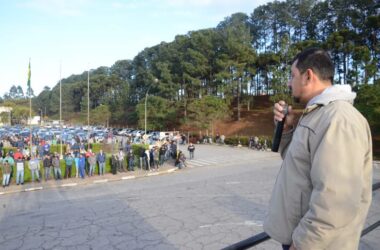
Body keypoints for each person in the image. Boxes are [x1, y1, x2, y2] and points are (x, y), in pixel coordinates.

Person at [263, 48, 373, 250]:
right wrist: (287, 128)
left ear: (308, 76)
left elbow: (336, 199)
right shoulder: (316, 114)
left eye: (292, 75)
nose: (289, 82)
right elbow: (296, 162)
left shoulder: (338, 119)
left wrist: (304, 243)